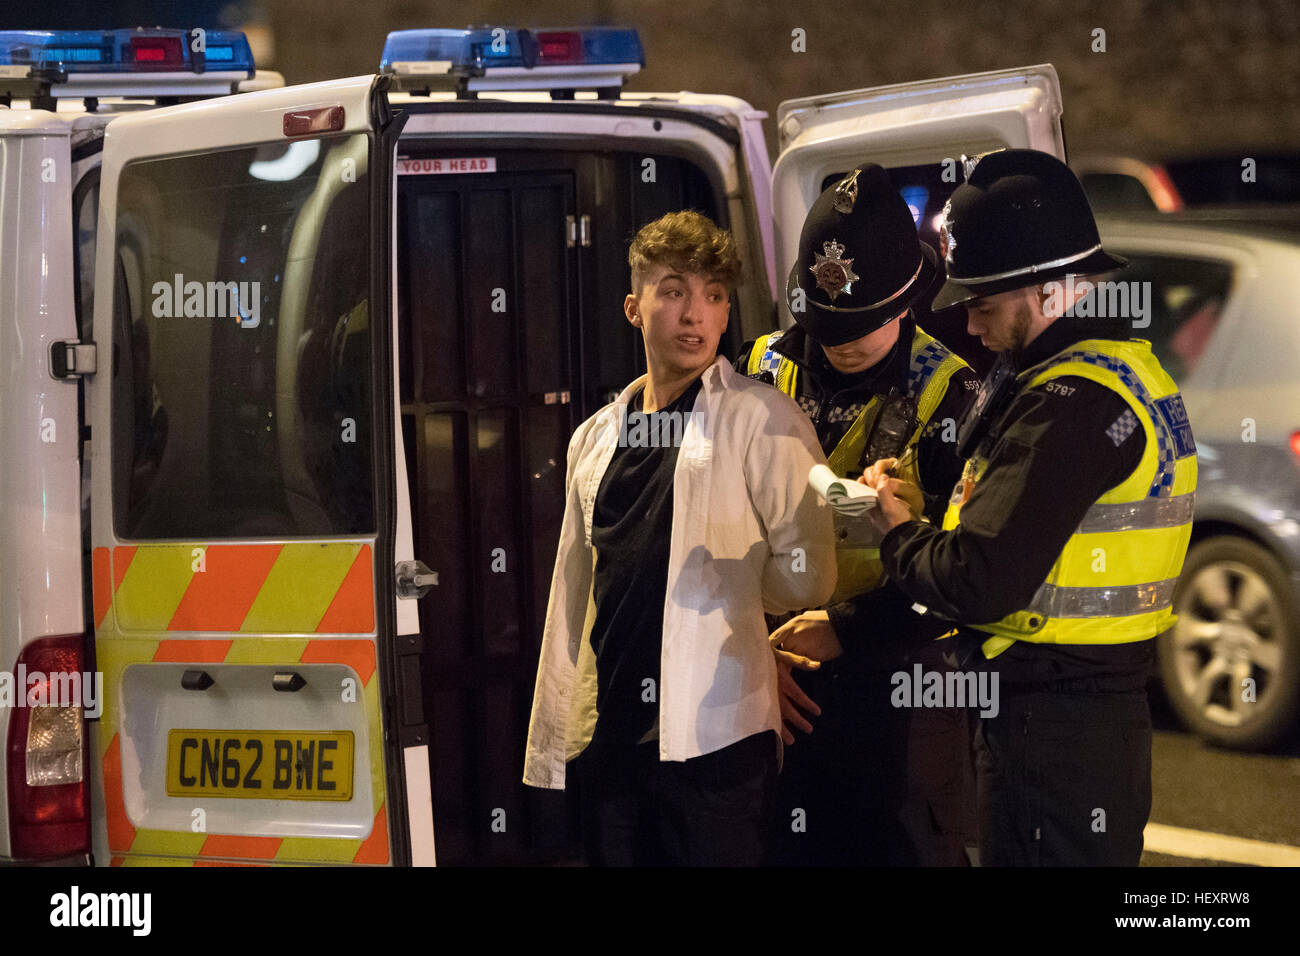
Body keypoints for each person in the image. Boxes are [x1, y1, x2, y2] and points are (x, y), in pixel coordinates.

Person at [778, 149, 1198, 866]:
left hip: (1051, 731)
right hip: (1084, 720)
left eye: (983, 303)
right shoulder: (1122, 374)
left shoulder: (1066, 406)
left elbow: (978, 576)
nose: (969, 327)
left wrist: (894, 529)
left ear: (1045, 290)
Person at [522, 210, 836, 866]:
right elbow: (577, 592)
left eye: (713, 296)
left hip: (715, 745)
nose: (695, 314)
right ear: (635, 308)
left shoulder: (763, 420)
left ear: (726, 315)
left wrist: (743, 596)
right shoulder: (596, 436)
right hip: (611, 739)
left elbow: (811, 574)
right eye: (674, 292)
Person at [737, 163, 978, 865]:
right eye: (825, 321)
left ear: (908, 302)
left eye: (862, 324)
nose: (839, 341)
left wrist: (847, 630)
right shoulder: (759, 371)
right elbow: (704, 536)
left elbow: (966, 578)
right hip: (766, 691)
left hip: (895, 705)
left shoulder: (953, 398)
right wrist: (755, 661)